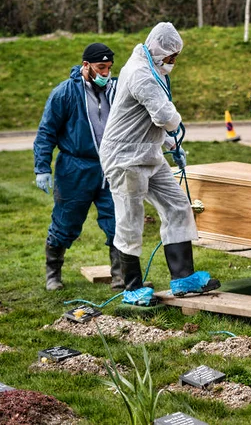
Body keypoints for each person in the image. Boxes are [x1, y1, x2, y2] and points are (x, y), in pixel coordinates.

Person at [99, 22, 219, 305]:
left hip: (148, 152)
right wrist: (174, 128)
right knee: (130, 219)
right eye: (171, 56)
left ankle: (183, 277)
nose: (172, 62)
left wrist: (169, 143)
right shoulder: (140, 73)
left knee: (177, 205)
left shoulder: (152, 68)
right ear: (158, 49)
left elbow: (143, 119)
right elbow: (165, 115)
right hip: (125, 157)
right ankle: (131, 287)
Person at [34, 43, 123, 292]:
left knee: (118, 220)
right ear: (86, 66)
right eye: (100, 67)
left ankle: (119, 275)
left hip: (109, 167)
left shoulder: (116, 91)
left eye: (109, 68)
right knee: (65, 221)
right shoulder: (65, 93)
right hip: (74, 169)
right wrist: (42, 167)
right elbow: (46, 132)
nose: (106, 73)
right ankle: (53, 273)